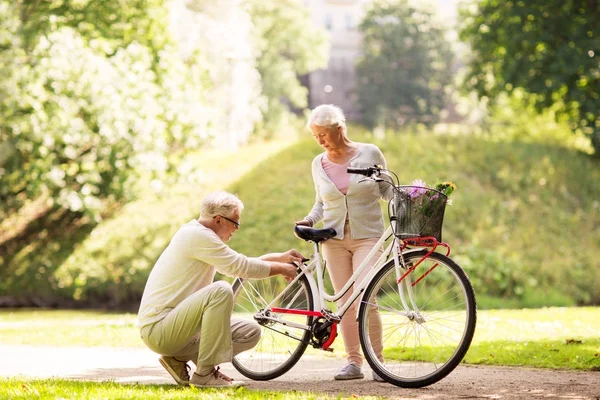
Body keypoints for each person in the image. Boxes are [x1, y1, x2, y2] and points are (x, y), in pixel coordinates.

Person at [138, 191, 303, 388]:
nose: (236, 229)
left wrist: (279, 258)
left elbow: (239, 263)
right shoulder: (196, 236)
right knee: (221, 291)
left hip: (179, 329)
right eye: (235, 222)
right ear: (218, 219)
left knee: (250, 332)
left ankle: (177, 358)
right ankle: (204, 375)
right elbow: (239, 266)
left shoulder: (201, 235)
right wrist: (281, 268)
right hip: (160, 329)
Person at [295, 104, 393, 381]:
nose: (320, 141)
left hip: (368, 236)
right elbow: (320, 202)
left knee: (365, 296)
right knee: (346, 303)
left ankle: (378, 363)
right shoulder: (318, 163)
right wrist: (309, 220)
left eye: (323, 134)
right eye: (315, 136)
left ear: (339, 129)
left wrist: (409, 199)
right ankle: (353, 362)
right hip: (333, 239)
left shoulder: (370, 152)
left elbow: (386, 190)